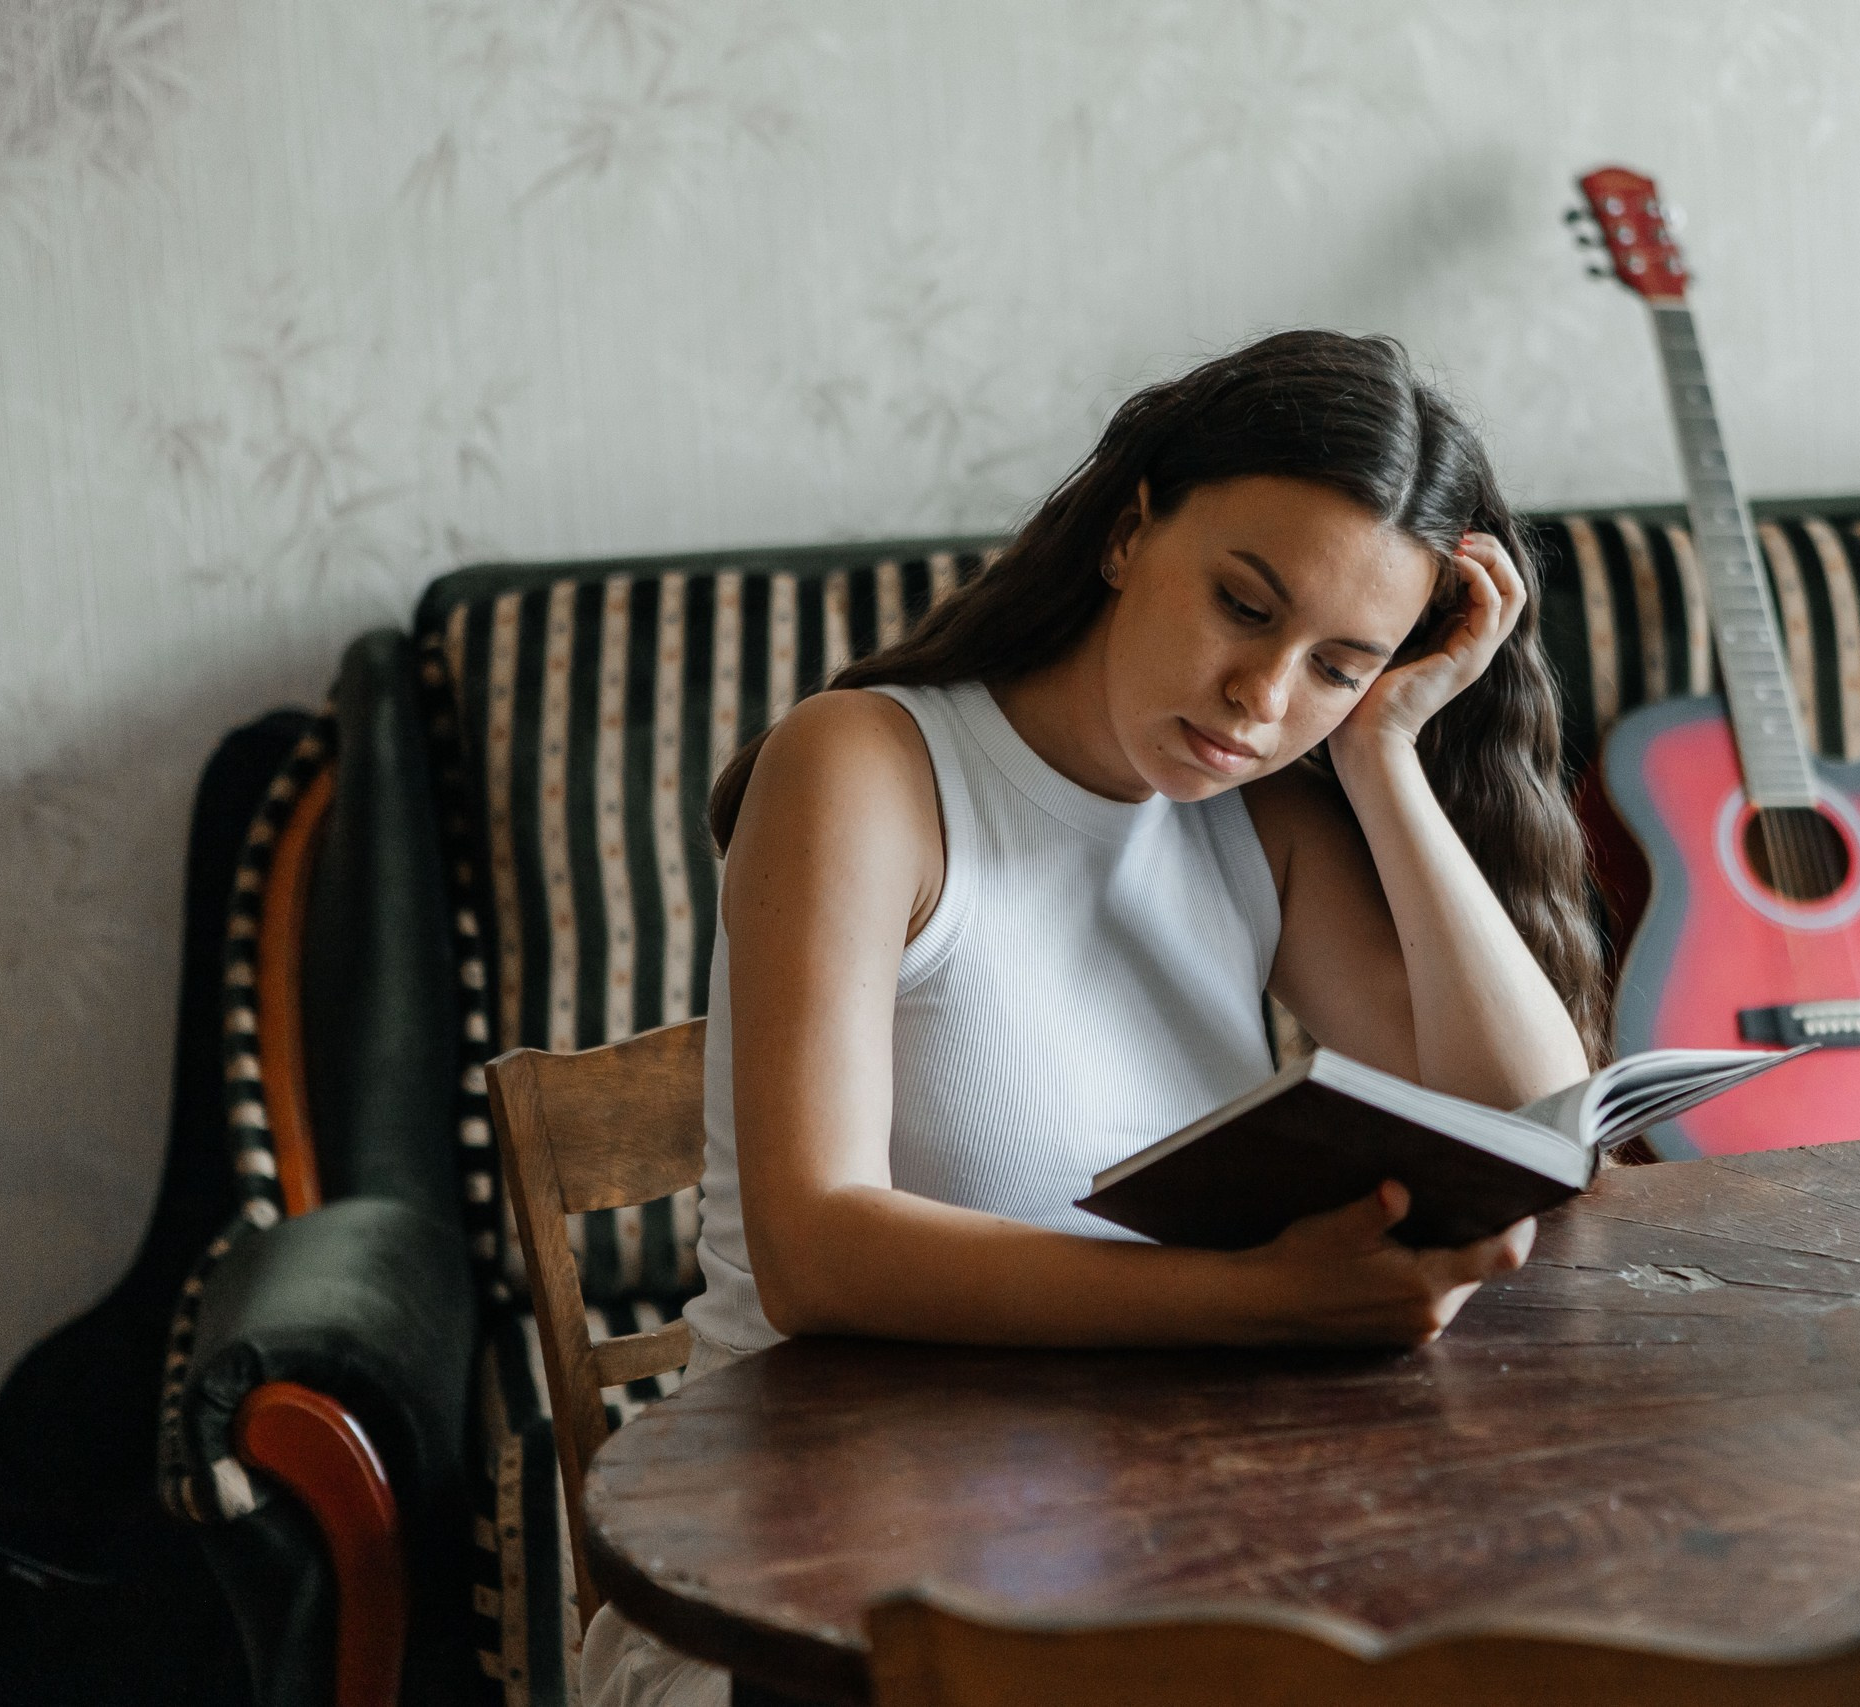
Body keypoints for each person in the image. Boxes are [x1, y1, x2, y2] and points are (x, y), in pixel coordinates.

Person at [582, 330, 1608, 1707]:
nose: (1263, 700)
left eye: (1337, 663)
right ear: (1132, 531)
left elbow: (1535, 1130)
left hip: (1138, 1544)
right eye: (1245, 606)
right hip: (810, 1592)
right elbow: (816, 1251)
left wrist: (1381, 752)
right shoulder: (868, 768)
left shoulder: (1266, 809)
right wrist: (1258, 1305)